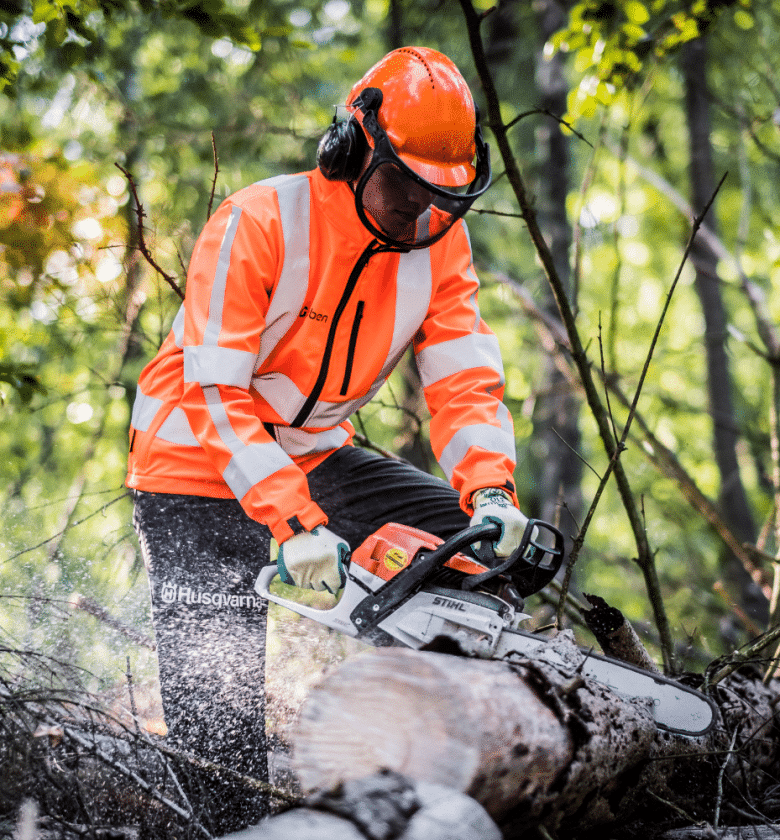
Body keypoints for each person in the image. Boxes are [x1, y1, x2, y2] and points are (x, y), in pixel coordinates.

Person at [127, 45, 529, 832]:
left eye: (437, 197)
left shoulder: (438, 245)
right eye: (404, 187)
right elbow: (215, 390)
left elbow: (462, 379)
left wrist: (489, 487)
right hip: (191, 468)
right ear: (350, 149)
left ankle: (429, 748)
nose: (417, 213)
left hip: (311, 456)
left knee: (473, 547)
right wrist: (291, 520)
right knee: (222, 733)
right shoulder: (261, 219)